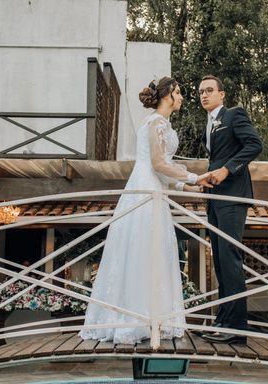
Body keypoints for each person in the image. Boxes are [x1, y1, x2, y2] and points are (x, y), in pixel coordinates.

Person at [79, 76, 213, 344]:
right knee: (143, 248)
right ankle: (133, 321)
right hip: (146, 189)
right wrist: (194, 178)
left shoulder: (161, 123)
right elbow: (158, 164)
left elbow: (162, 168)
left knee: (151, 250)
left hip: (155, 187)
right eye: (179, 92)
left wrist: (187, 189)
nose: (182, 97)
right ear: (168, 96)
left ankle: (151, 318)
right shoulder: (156, 122)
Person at [198, 75, 263, 345]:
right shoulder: (208, 126)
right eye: (201, 92)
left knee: (231, 258)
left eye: (210, 90)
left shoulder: (234, 115)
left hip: (233, 198)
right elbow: (217, 157)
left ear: (222, 94)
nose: (204, 95)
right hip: (215, 198)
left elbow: (254, 145)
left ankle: (237, 329)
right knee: (220, 263)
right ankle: (223, 320)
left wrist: (226, 170)